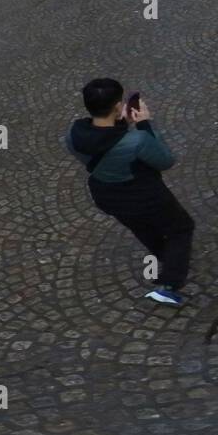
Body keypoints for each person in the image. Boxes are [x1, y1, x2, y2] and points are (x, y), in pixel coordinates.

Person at [66, 78, 193, 307]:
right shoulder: (136, 141)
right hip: (145, 195)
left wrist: (119, 124)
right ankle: (169, 285)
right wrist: (144, 124)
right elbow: (165, 160)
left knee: (142, 228)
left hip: (109, 197)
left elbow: (104, 145)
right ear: (117, 106)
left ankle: (166, 257)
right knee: (181, 228)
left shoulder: (74, 136)